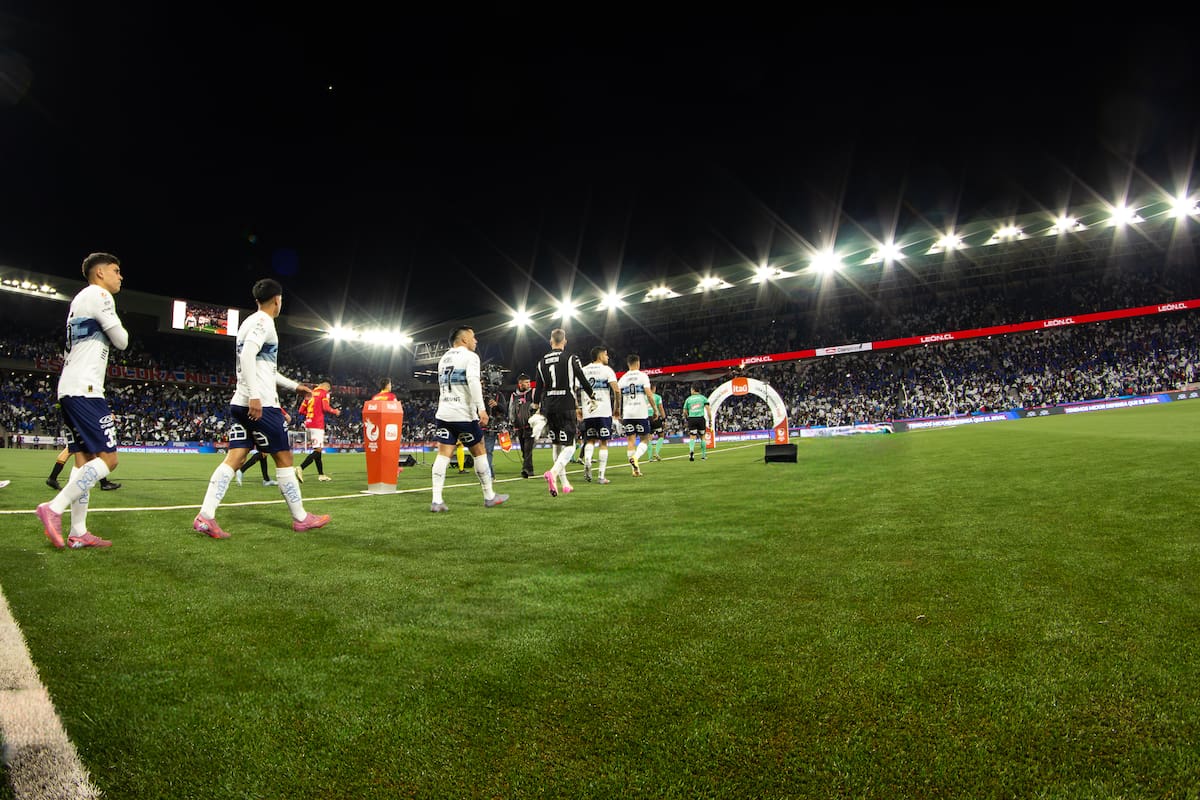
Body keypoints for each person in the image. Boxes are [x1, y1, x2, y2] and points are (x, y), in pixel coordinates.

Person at [192, 278, 330, 538]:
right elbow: (247, 357)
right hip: (261, 405)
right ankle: (301, 518)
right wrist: (255, 396)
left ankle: (205, 516)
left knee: (235, 458)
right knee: (285, 458)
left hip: (239, 403)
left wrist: (294, 385)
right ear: (277, 300)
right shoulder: (264, 322)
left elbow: (266, 368)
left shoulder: (248, 322)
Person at [35, 252, 128, 549]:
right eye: (116, 271)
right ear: (100, 273)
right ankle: (54, 507)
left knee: (84, 460)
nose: (120, 276)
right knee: (108, 460)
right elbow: (122, 340)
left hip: (70, 387)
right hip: (85, 390)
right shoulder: (99, 294)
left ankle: (78, 531)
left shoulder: (78, 301)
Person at [429, 325, 508, 512]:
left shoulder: (443, 358)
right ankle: (489, 495)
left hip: (444, 413)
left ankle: (437, 500)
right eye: (473, 337)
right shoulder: (471, 357)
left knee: (443, 455)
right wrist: (482, 409)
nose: (476, 341)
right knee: (479, 450)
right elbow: (472, 381)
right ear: (463, 339)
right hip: (463, 414)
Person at [531, 328, 594, 497]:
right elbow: (581, 378)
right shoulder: (571, 358)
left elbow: (537, 388)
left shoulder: (541, 362)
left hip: (549, 406)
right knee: (570, 445)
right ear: (564, 341)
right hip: (566, 405)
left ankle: (565, 483)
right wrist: (592, 395)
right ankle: (553, 472)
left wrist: (535, 406)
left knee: (557, 444)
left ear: (551, 342)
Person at [580, 345, 620, 485]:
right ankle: (601, 476)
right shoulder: (607, 370)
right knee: (603, 442)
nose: (608, 357)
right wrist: (617, 408)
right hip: (603, 411)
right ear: (600, 355)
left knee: (590, 440)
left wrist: (577, 408)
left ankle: (587, 462)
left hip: (588, 412)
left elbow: (573, 389)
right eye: (606, 354)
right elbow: (617, 390)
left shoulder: (583, 370)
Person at [616, 353, 655, 477]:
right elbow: (649, 394)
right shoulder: (643, 376)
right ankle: (636, 458)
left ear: (628, 364)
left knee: (630, 440)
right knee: (645, 439)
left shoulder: (623, 378)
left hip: (627, 413)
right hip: (640, 412)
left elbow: (617, 395)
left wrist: (617, 410)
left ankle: (634, 470)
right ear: (638, 363)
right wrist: (655, 409)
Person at [296, 380, 341, 482]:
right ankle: (300, 468)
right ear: (327, 387)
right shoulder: (324, 393)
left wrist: (311, 413)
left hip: (308, 423)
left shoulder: (310, 393)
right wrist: (335, 411)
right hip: (317, 424)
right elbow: (325, 407)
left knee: (318, 450)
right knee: (318, 451)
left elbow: (301, 411)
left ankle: (321, 475)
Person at [236, 407, 290, 486]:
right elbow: (288, 418)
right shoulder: (272, 404)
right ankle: (241, 470)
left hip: (258, 424)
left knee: (263, 453)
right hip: (266, 426)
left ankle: (266, 479)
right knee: (264, 453)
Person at [47, 443, 120, 492]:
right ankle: (104, 483)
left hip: (75, 427)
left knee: (68, 450)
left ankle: (52, 478)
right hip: (82, 429)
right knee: (92, 456)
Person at [508, 373, 536, 478]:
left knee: (528, 448)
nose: (528, 384)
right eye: (526, 383)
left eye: (529, 382)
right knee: (523, 449)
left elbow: (538, 405)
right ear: (520, 384)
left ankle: (526, 469)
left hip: (530, 426)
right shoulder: (513, 396)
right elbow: (511, 409)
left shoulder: (532, 393)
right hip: (518, 426)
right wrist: (511, 422)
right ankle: (529, 468)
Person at [482, 376, 507, 476]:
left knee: (488, 451)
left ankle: (488, 475)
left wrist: (497, 405)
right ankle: (488, 473)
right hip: (479, 426)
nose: (482, 386)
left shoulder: (498, 395)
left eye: (483, 383)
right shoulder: (477, 396)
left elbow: (504, 410)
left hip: (491, 427)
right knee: (482, 452)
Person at [683, 384, 713, 461]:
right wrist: (710, 420)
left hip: (692, 419)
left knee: (692, 437)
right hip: (700, 419)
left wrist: (687, 418)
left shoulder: (688, 399)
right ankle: (703, 455)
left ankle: (691, 451)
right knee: (702, 437)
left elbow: (684, 411)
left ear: (693, 390)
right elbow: (708, 410)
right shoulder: (703, 398)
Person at [648, 382, 666, 461]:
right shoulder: (657, 397)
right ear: (654, 388)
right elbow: (661, 408)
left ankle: (650, 458)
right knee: (661, 435)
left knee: (648, 438)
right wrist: (664, 419)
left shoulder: (644, 397)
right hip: (655, 417)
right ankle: (656, 452)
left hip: (646, 418)